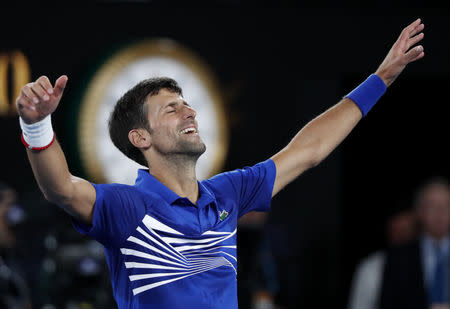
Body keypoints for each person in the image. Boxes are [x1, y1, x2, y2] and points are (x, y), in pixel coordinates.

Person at [15, 19, 425, 308]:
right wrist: (36, 126)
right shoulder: (126, 208)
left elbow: (308, 151)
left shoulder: (229, 192)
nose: (189, 112)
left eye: (187, 103)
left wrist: (381, 80)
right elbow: (61, 188)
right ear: (141, 138)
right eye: (171, 109)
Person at [379, 177, 450, 309]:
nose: (440, 212)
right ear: (419, 211)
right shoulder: (398, 257)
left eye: (447, 205)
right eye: (432, 206)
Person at [347, 207, 417, 309]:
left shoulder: (430, 264)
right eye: (395, 231)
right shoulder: (372, 267)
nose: (400, 237)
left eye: (405, 231)